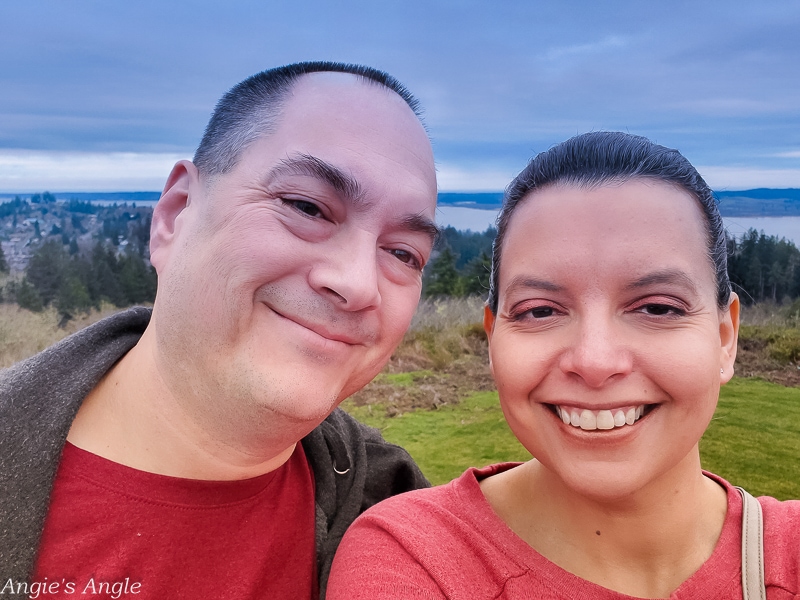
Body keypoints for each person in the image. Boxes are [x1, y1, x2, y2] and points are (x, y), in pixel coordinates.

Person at [0, 61, 440, 599]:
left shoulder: (404, 523)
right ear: (176, 213)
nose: (358, 285)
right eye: (306, 207)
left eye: (402, 253)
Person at [326, 132, 800, 599]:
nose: (594, 362)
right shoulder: (414, 561)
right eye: (540, 311)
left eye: (657, 308)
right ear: (493, 340)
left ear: (724, 337)